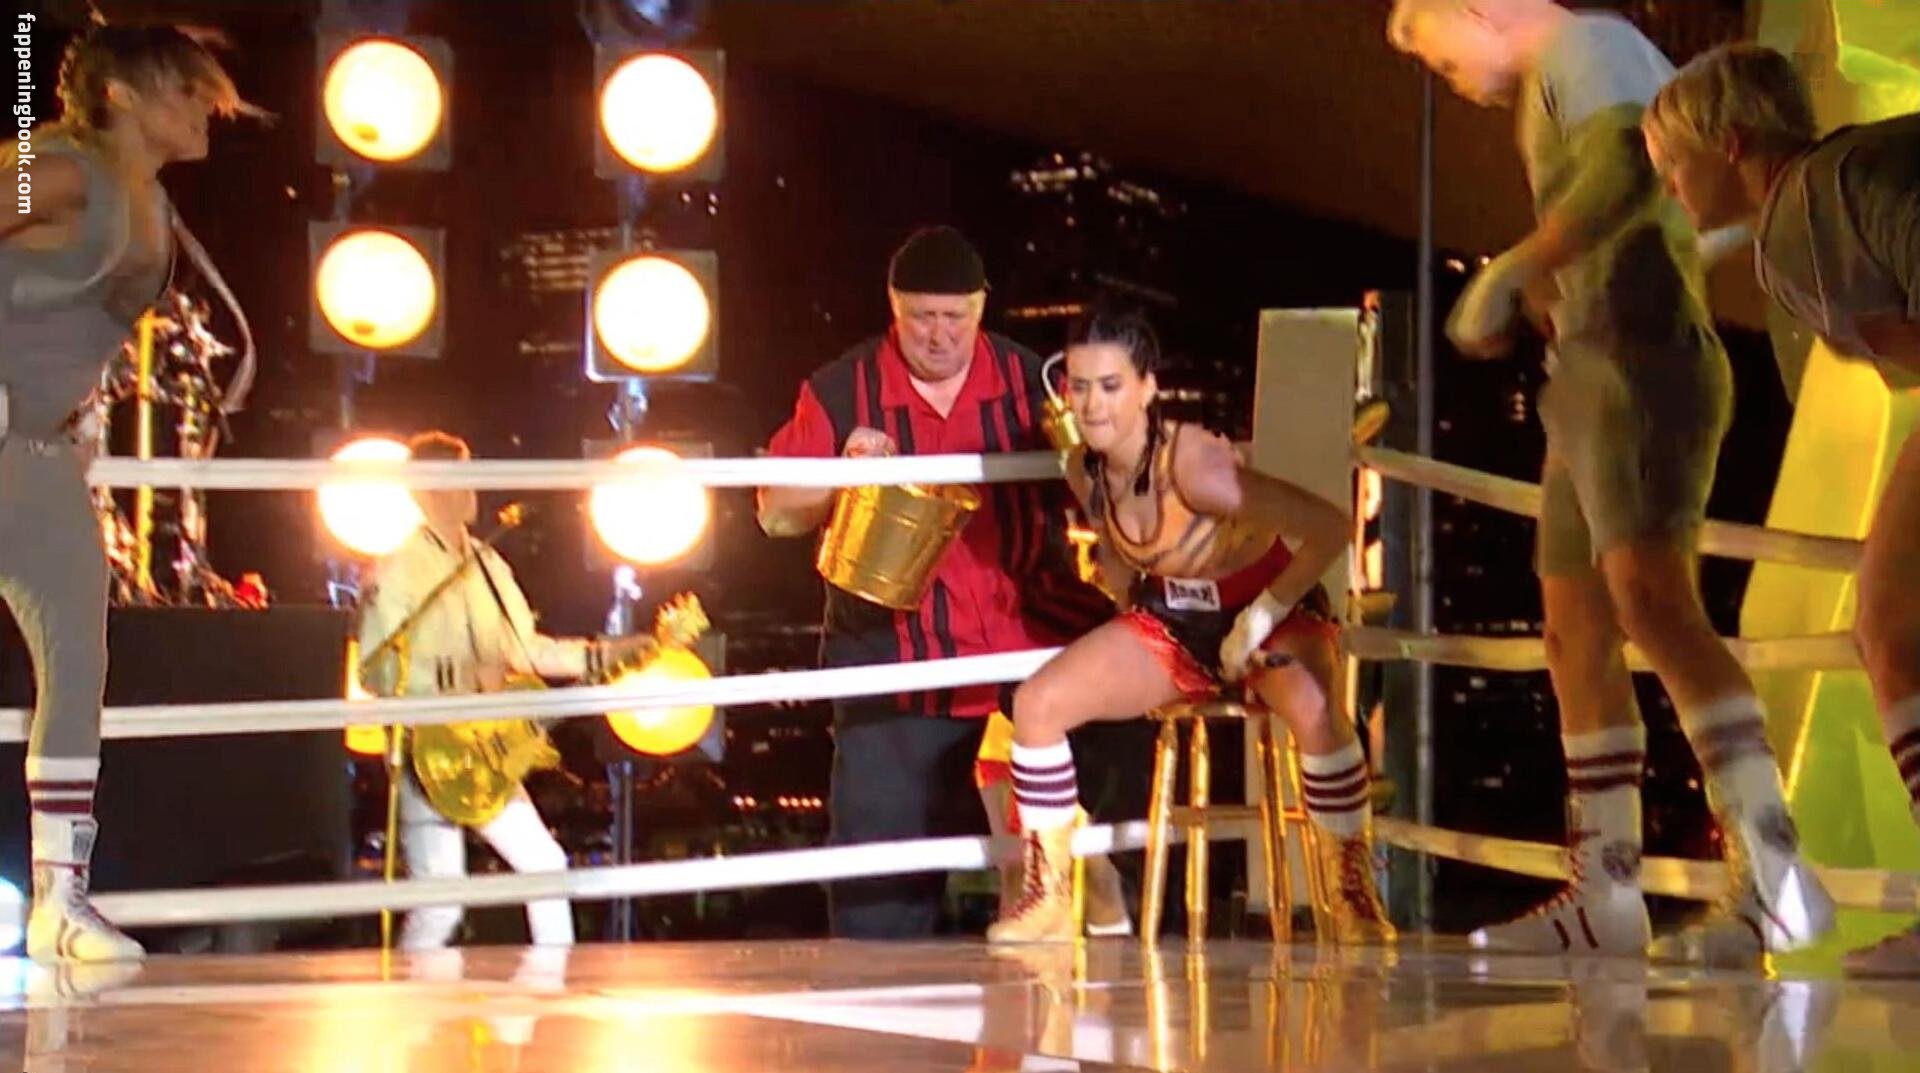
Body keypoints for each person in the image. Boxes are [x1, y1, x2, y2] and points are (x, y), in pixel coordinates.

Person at [1387, 0, 1833, 959]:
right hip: (1593, 366)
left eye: (1440, 56)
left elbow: (1628, 171)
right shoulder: (1576, 68)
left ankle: (1776, 874)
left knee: (1654, 604)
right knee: (1576, 626)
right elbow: (1654, 202)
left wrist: (1513, 269)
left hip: (1640, 360)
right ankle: (1608, 891)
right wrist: (1554, 285)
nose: (1449, 81)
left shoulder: (1583, 48)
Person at [757, 226, 1127, 939]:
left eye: (954, 316)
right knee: (879, 890)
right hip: (894, 653)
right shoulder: (840, 388)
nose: (938, 334)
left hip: (1030, 640)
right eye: (921, 316)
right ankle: (883, 1002)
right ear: (893, 308)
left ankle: (1109, 941)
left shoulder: (1035, 382)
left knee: (1099, 830)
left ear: (981, 308)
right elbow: (774, 512)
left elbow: (1108, 490)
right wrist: (839, 472)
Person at [988, 308, 1396, 945]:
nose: (1093, 404)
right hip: (1174, 621)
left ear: (1147, 388)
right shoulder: (1083, 467)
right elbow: (1118, 560)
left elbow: (1328, 527)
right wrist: (1122, 618)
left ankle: (1351, 895)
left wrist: (1259, 618)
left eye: (1111, 385)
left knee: (1313, 706)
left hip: (1269, 609)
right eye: (1081, 386)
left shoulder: (1195, 462)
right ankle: (1051, 899)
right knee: (1038, 703)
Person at [1644, 43, 1920, 972]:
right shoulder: (1858, 170)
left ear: (1731, 144)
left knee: (1890, 624)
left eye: (1675, 164)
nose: (1671, 188)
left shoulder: (1797, 225)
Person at [0, 22, 263, 963]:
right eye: (186, 90)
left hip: (35, 453)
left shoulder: (147, 201)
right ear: (120, 94)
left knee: (78, 663)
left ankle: (60, 899)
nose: (207, 108)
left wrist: (71, 422)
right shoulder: (57, 172)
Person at [356, 431, 652, 950]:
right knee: (441, 900)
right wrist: (462, 677)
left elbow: (526, 650)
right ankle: (406, 995)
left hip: (484, 747)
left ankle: (550, 986)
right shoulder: (398, 568)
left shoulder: (488, 565)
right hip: (428, 751)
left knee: (544, 865)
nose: (471, 488)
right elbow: (374, 669)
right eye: (458, 476)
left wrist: (602, 655)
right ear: (426, 490)